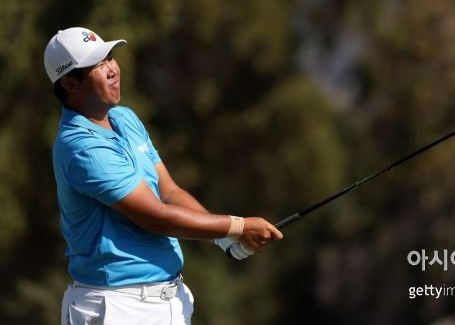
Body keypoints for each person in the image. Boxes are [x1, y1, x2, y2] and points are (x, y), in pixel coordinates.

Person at [44, 27, 283, 325]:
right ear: (70, 83)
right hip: (118, 306)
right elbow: (155, 217)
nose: (112, 70)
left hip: (168, 300)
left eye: (110, 58)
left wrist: (224, 240)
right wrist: (238, 227)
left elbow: (168, 190)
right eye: (98, 65)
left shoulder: (124, 118)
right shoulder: (81, 146)